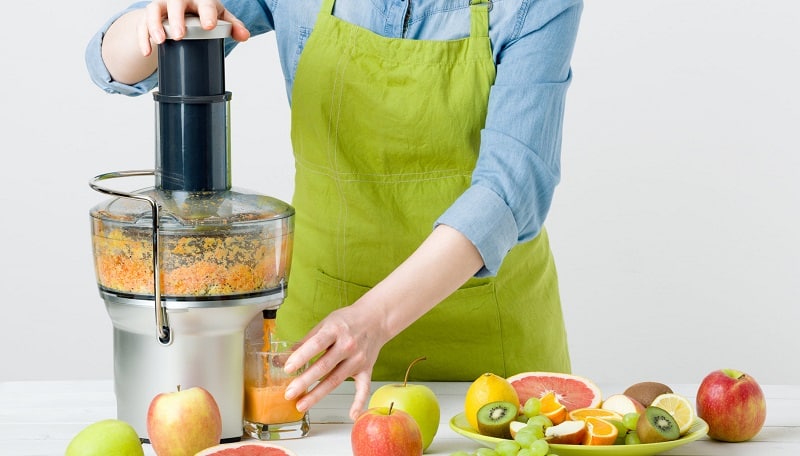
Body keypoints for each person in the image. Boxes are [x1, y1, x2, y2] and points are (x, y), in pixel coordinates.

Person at [86, 0, 583, 421]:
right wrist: (153, 21)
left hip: (490, 368)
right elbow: (111, 64)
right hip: (321, 363)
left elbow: (512, 188)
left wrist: (374, 319)